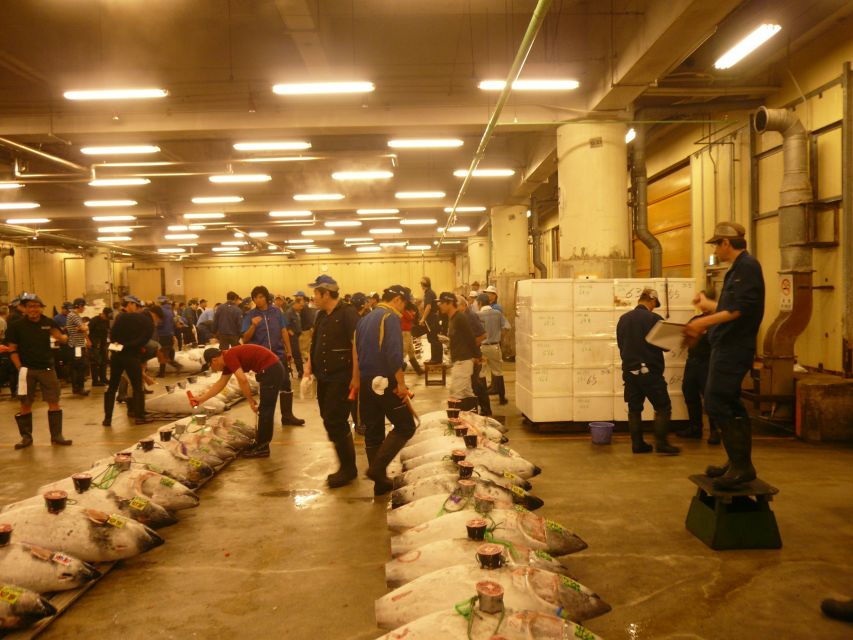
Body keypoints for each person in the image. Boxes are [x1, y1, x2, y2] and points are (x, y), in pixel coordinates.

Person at [684, 221, 765, 490]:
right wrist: (708, 306)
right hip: (726, 346)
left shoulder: (747, 267)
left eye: (716, 245)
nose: (715, 251)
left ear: (726, 243)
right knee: (728, 401)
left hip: (734, 347)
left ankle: (742, 466)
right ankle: (736, 462)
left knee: (717, 400)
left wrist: (701, 322)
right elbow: (730, 306)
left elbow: (740, 310)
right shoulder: (737, 269)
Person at [355, 285, 417, 494]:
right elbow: (393, 354)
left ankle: (380, 484)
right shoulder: (389, 317)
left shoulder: (365, 319)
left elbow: (356, 351)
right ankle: (377, 469)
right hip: (384, 381)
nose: (404, 309)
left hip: (366, 382)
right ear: (398, 299)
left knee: (373, 432)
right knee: (405, 426)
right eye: (404, 304)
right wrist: (401, 384)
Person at [305, 274, 360, 488]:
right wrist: (309, 365)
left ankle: (348, 468)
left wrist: (356, 377)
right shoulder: (321, 315)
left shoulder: (347, 313)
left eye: (315, 293)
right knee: (328, 418)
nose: (313, 297)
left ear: (326, 293)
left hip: (341, 377)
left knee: (335, 420)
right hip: (324, 377)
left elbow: (356, 345)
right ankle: (346, 466)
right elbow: (314, 342)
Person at [616, 288, 680, 455]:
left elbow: (621, 345)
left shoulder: (623, 319)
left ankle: (637, 445)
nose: (654, 308)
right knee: (663, 406)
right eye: (654, 304)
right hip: (650, 372)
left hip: (630, 372)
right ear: (651, 301)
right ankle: (662, 444)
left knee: (634, 409)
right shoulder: (654, 319)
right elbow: (666, 347)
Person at [6, 293, 73, 448]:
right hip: (26, 370)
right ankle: (26, 437)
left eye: (37, 306)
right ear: (24, 308)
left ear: (42, 308)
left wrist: (65, 337)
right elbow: (12, 349)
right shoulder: (16, 325)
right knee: (25, 403)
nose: (33, 309)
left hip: (47, 368)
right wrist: (20, 368)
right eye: (30, 306)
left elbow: (60, 336)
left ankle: (57, 436)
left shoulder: (48, 322)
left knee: (53, 401)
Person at [194, 345, 284, 458]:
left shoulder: (229, 356)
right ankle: (259, 444)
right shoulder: (227, 360)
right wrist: (201, 399)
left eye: (211, 366)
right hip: (270, 369)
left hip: (271, 370)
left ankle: (263, 448)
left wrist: (250, 400)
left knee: (266, 411)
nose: (214, 369)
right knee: (264, 410)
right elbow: (221, 383)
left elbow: (242, 379)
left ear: (214, 360)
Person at [241, 285, 304, 426]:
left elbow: (283, 331)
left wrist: (289, 351)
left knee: (286, 384)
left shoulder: (276, 312)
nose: (258, 300)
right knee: (266, 387)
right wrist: (253, 326)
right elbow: (245, 338)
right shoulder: (250, 315)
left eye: (261, 297)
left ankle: (287, 416)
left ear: (266, 298)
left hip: (279, 355)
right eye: (255, 298)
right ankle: (265, 418)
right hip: (262, 359)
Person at [103, 297, 163, 426]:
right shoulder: (148, 324)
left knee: (112, 387)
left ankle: (107, 419)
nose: (157, 322)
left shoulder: (122, 317)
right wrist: (129, 347)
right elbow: (142, 341)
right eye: (158, 320)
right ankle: (139, 417)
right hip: (131, 356)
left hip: (117, 354)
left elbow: (112, 335)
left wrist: (118, 348)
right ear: (155, 315)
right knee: (137, 387)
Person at [677, 289, 720, 443]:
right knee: (689, 393)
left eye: (700, 300)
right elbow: (687, 337)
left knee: (710, 397)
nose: (698, 304)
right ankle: (695, 428)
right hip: (692, 362)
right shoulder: (696, 319)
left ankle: (715, 431)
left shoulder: (718, 319)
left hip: (708, 363)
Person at [437, 291, 478, 411]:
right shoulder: (452, 318)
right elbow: (460, 338)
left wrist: (477, 355)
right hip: (458, 361)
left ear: (450, 303)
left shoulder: (460, 317)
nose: (439, 305)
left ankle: (457, 421)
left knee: (455, 395)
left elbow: (470, 337)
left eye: (442, 303)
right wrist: (448, 341)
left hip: (463, 361)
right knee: (466, 393)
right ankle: (472, 417)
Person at [459, 295, 490, 416]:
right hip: (468, 356)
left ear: (463, 305)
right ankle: (477, 410)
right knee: (473, 384)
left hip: (473, 356)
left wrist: (471, 347)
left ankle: (485, 410)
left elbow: (483, 335)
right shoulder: (462, 316)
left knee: (477, 384)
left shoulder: (470, 316)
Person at [477, 293, 508, 405]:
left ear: (480, 303)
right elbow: (507, 327)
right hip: (495, 347)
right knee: (498, 372)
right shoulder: (497, 313)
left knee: (481, 373)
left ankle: (483, 400)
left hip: (482, 348)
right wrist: (499, 337)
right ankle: (502, 399)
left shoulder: (478, 315)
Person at [65, 298, 91, 396]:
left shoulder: (74, 315)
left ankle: (77, 388)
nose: (84, 308)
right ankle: (79, 388)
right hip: (76, 346)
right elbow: (84, 328)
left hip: (77, 345)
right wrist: (84, 327)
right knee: (79, 366)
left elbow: (82, 328)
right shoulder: (73, 315)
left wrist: (81, 328)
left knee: (77, 366)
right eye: (83, 306)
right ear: (79, 306)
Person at [155, 296, 181, 377]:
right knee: (168, 351)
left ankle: (162, 372)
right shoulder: (170, 311)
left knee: (162, 353)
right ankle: (173, 366)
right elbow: (174, 323)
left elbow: (160, 323)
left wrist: (155, 324)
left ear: (160, 302)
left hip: (162, 334)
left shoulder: (161, 310)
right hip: (169, 334)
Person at [419, 276, 442, 364]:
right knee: (433, 338)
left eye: (421, 284)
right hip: (433, 318)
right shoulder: (429, 293)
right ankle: (435, 358)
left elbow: (428, 307)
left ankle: (436, 359)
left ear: (423, 284)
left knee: (433, 339)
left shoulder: (429, 293)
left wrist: (423, 319)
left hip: (432, 319)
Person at [284, 292, 306, 379]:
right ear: (296, 303)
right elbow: (285, 324)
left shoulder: (296, 312)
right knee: (296, 354)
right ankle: (301, 371)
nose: (301, 307)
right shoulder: (289, 312)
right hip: (292, 337)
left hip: (296, 336)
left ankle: (301, 371)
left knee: (297, 354)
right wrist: (291, 332)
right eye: (300, 305)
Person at [89, 306, 112, 387]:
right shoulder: (94, 320)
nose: (107, 319)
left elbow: (108, 331)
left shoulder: (106, 321)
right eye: (106, 317)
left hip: (103, 343)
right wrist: (89, 342)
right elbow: (88, 332)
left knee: (104, 361)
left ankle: (103, 378)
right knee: (95, 362)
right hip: (94, 343)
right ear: (103, 314)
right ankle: (95, 381)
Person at [400, 299, 423, 375]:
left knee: (411, 351)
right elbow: (410, 318)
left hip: (407, 332)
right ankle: (399, 367)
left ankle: (418, 370)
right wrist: (413, 314)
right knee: (404, 351)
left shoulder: (405, 311)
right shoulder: (404, 311)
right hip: (405, 332)